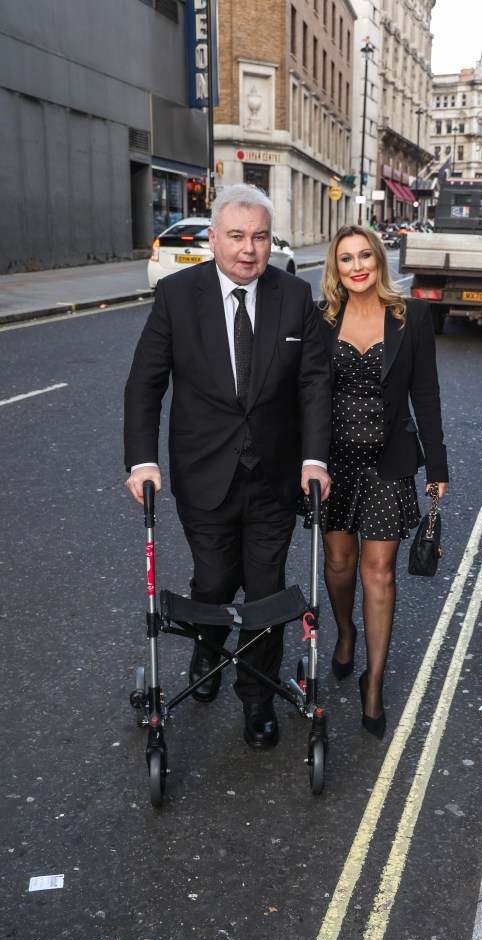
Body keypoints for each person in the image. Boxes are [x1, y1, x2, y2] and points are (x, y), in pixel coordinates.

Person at [124, 184, 332, 750]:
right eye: (236, 236)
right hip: (203, 470)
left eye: (260, 237)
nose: (249, 249)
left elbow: (315, 383)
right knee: (214, 582)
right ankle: (209, 643)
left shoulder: (295, 297)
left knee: (265, 590)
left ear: (271, 241)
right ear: (212, 239)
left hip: (275, 475)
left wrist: (314, 460)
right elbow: (146, 384)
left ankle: (258, 699)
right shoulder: (176, 295)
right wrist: (142, 460)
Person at [313, 225, 449, 738]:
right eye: (346, 258)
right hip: (333, 463)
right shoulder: (322, 318)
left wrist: (437, 467)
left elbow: (427, 393)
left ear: (379, 259)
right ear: (336, 267)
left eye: (365, 254)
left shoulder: (410, 316)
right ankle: (345, 631)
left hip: (389, 464)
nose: (357, 266)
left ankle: (374, 682)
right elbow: (304, 391)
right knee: (339, 561)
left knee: (380, 573)